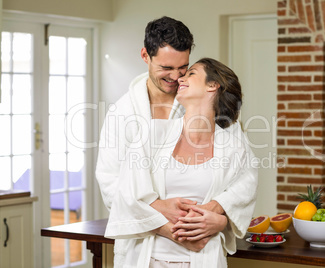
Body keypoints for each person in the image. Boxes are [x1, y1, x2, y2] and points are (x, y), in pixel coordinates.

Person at [105, 58, 258, 267]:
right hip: (148, 259)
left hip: (204, 259)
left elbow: (244, 190)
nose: (180, 78)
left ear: (213, 85)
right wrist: (171, 231)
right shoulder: (151, 133)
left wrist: (221, 217)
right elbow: (125, 195)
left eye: (191, 73)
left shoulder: (234, 147)